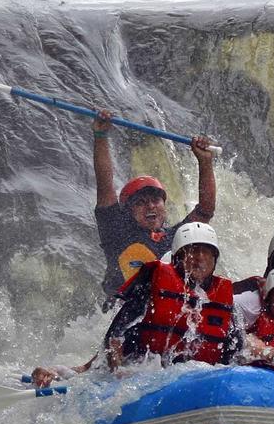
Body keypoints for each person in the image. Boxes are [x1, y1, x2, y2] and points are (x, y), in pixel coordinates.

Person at [32, 222, 241, 385]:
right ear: (178, 258)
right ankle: (52, 372)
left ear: (215, 260)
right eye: (193, 251)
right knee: (90, 369)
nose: (200, 259)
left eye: (207, 253)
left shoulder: (225, 303)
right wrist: (118, 371)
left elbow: (236, 356)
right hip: (140, 362)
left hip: (192, 378)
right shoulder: (152, 288)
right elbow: (115, 336)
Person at [92, 109, 217, 302]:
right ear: (128, 212)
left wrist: (205, 161)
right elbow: (105, 186)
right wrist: (101, 136)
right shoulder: (116, 230)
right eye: (141, 202)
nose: (150, 206)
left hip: (159, 317)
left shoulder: (176, 237)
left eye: (155, 200)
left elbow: (206, 209)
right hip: (121, 314)